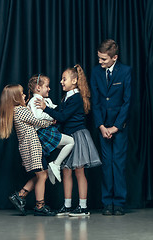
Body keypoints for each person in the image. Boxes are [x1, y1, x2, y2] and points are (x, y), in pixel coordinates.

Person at [36, 64, 101, 217]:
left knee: (79, 171)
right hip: (69, 136)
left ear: (74, 81)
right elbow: (62, 116)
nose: (61, 82)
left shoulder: (77, 98)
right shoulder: (67, 96)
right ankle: (67, 206)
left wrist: (46, 108)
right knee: (66, 172)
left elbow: (63, 116)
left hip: (78, 136)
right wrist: (53, 120)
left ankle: (83, 207)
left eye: (64, 79)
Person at [0, 84, 56, 216]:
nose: (25, 95)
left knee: (42, 173)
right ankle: (40, 206)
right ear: (15, 97)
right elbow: (37, 121)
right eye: (22, 93)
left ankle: (20, 195)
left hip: (28, 147)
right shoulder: (20, 110)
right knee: (42, 175)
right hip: (32, 147)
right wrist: (51, 121)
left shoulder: (15, 110)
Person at [90, 39, 131, 215]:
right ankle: (107, 202)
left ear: (114, 57)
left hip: (119, 127)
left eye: (104, 59)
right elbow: (96, 101)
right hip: (103, 127)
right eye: (99, 58)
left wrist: (116, 127)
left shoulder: (126, 72)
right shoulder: (96, 72)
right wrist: (100, 126)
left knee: (118, 164)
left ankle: (119, 202)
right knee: (107, 164)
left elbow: (127, 102)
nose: (100, 62)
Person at [27, 74, 75, 184]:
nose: (49, 89)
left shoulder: (43, 99)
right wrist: (52, 116)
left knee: (67, 145)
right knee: (71, 142)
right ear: (38, 88)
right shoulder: (35, 100)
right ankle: (55, 165)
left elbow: (54, 109)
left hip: (47, 130)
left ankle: (53, 169)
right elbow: (38, 116)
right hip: (43, 132)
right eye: (47, 86)